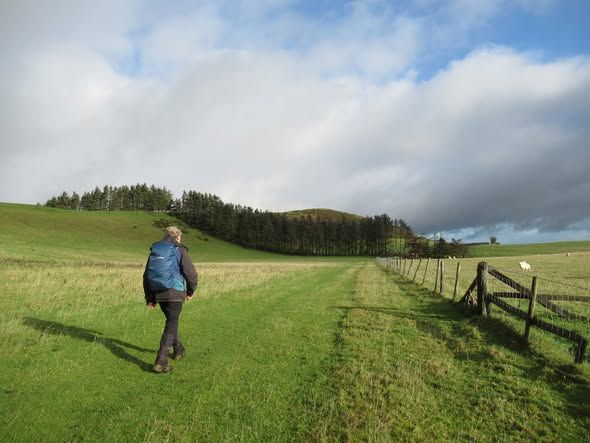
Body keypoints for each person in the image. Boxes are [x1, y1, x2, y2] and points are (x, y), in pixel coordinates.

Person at [143, 226, 198, 373]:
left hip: (159, 293)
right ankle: (161, 361)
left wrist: (150, 297)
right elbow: (191, 273)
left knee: (171, 323)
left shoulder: (156, 249)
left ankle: (179, 350)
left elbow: (146, 275)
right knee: (171, 324)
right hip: (175, 292)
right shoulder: (179, 249)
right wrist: (191, 291)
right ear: (178, 237)